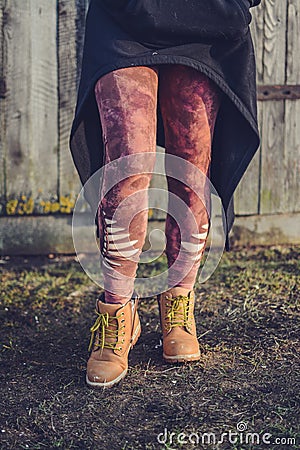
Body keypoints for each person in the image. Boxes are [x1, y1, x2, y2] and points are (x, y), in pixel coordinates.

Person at [70, 0, 261, 388]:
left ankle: (178, 304)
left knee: (192, 169)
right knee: (126, 167)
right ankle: (117, 313)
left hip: (208, 24)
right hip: (124, 19)